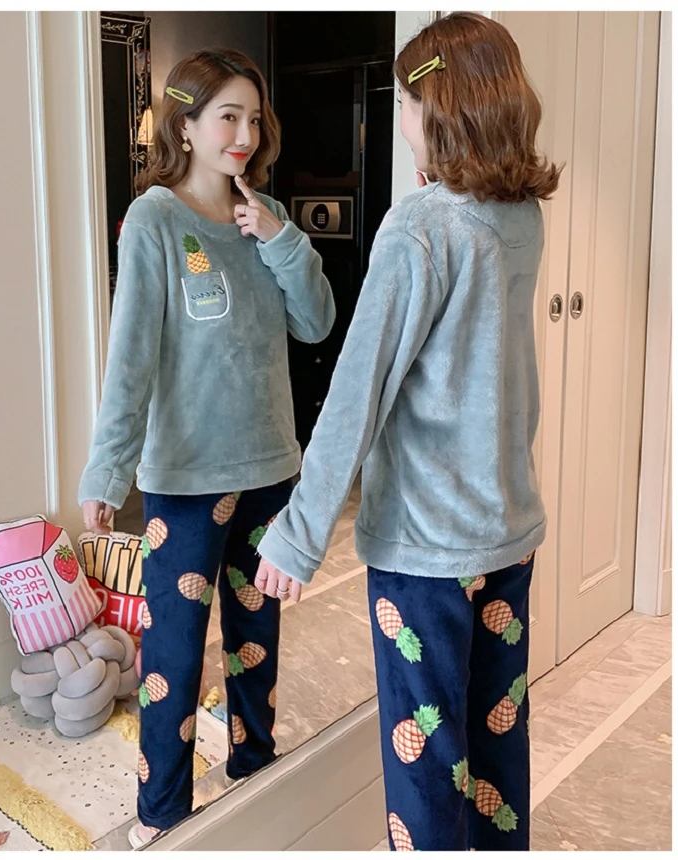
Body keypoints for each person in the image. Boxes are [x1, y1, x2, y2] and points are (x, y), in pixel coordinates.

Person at [255, 12, 561, 852]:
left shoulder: (420, 226)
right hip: (507, 532)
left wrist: (299, 532)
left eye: (404, 103)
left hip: (427, 553)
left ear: (440, 108)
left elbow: (358, 389)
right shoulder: (519, 216)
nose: (401, 119)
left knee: (427, 763)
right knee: (496, 742)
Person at [78, 48, 335, 848]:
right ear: (184, 127)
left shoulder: (267, 215)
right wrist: (107, 471)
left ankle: (255, 770)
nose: (245, 135)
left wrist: (281, 238)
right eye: (228, 117)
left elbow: (317, 323)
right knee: (176, 654)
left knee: (258, 642)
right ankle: (164, 814)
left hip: (270, 470)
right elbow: (132, 357)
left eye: (254, 118)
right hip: (185, 480)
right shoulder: (155, 219)